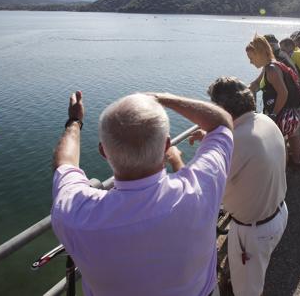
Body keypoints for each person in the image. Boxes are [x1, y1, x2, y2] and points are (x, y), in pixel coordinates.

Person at [51, 90, 233, 296]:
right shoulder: (201, 188)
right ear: (166, 146)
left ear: (103, 152)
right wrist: (161, 97)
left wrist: (75, 121)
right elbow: (222, 122)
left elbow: (64, 165)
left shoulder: (76, 215)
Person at [191, 76, 289, 296]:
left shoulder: (235, 142)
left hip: (253, 232)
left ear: (221, 110)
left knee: (248, 291)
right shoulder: (264, 121)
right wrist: (211, 135)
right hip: (277, 213)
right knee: (250, 278)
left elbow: (197, 189)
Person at [246, 35, 300, 164]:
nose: (250, 62)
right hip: (289, 109)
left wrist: (273, 115)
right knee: (283, 142)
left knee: (280, 146)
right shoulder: (271, 65)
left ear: (260, 53)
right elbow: (257, 84)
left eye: (251, 58)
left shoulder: (271, 70)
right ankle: (295, 162)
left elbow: (283, 93)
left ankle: (282, 175)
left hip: (281, 113)